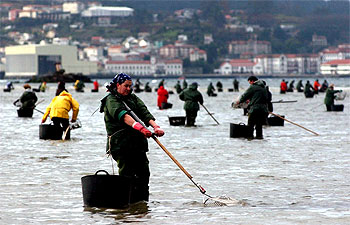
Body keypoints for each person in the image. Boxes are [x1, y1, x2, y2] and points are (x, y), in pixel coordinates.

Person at [100, 73, 164, 201]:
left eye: (130, 86)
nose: (129, 89)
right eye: (126, 86)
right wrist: (140, 128)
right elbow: (123, 115)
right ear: (118, 85)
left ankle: (142, 205)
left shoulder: (133, 98)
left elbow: (144, 113)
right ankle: (126, 206)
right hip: (121, 145)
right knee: (127, 174)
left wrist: (155, 126)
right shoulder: (111, 100)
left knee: (144, 174)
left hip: (138, 145)